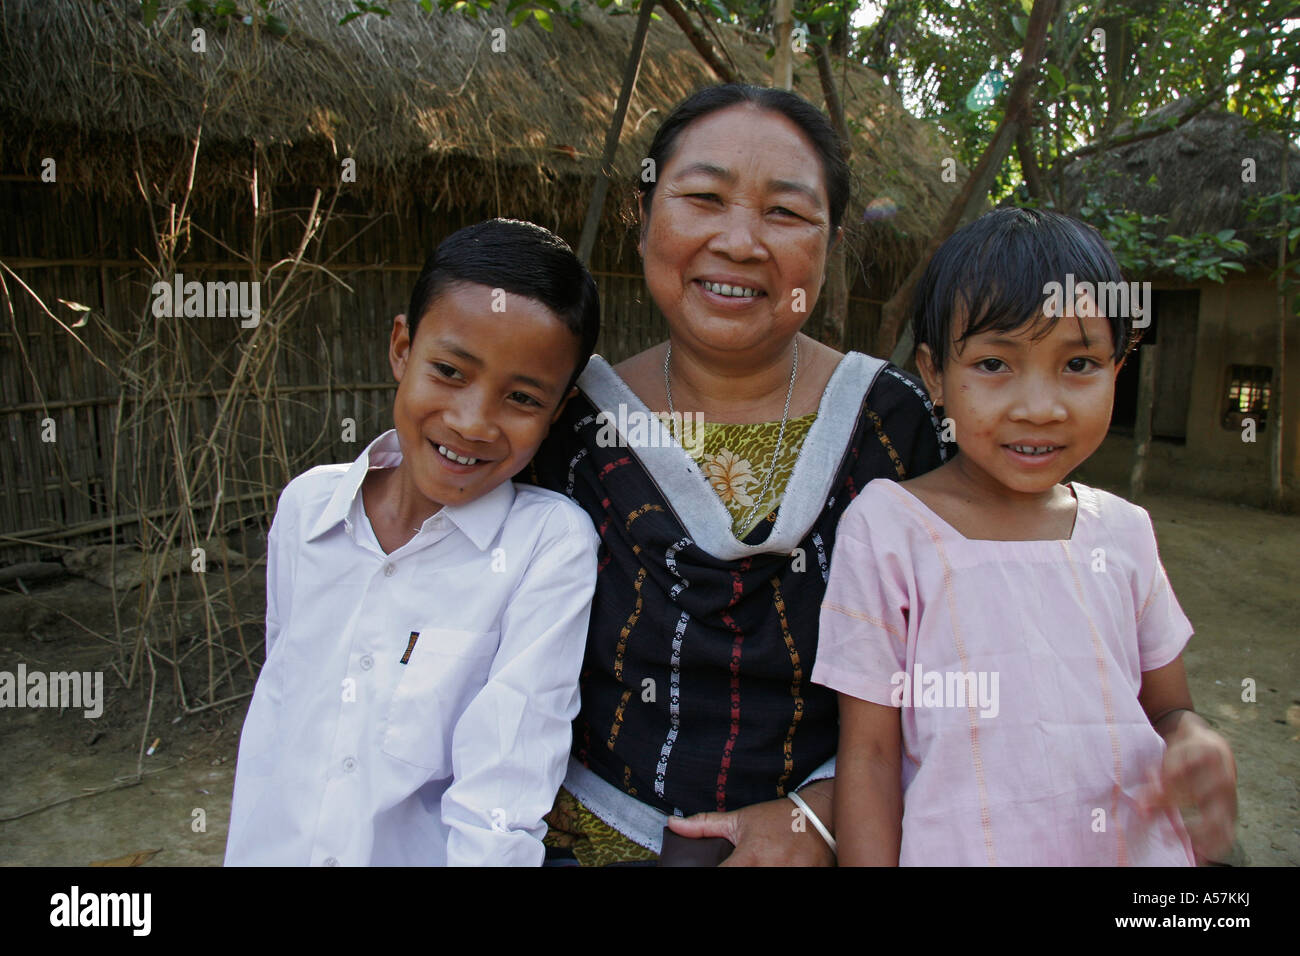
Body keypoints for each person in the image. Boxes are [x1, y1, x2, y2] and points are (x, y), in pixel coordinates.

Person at [526, 84, 949, 866]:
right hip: (579, 839)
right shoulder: (568, 426)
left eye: (785, 213)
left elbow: (963, 674)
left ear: (831, 242)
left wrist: (821, 816)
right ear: (644, 217)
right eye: (703, 198)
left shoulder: (897, 427)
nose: (741, 241)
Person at [814, 207, 1238, 866]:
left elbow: (1169, 710)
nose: (1039, 405)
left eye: (1078, 364)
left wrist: (1196, 741)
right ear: (934, 374)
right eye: (993, 364)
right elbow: (869, 754)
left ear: (1117, 371)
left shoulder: (1125, 533)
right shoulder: (889, 529)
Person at [225, 219, 601, 866]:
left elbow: (501, 801)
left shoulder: (546, 548)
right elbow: (286, 715)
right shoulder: (307, 510)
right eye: (450, 371)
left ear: (557, 412)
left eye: (521, 397)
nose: (472, 421)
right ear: (402, 347)